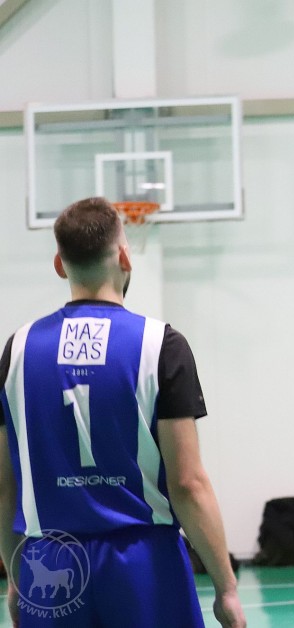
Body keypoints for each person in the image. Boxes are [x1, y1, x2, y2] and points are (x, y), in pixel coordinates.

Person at [0, 197, 245, 627]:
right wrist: (226, 588)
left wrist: (18, 579)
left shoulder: (16, 352)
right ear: (125, 258)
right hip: (144, 562)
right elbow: (187, 483)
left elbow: (4, 487)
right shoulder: (160, 345)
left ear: (59, 265)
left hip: (49, 561)